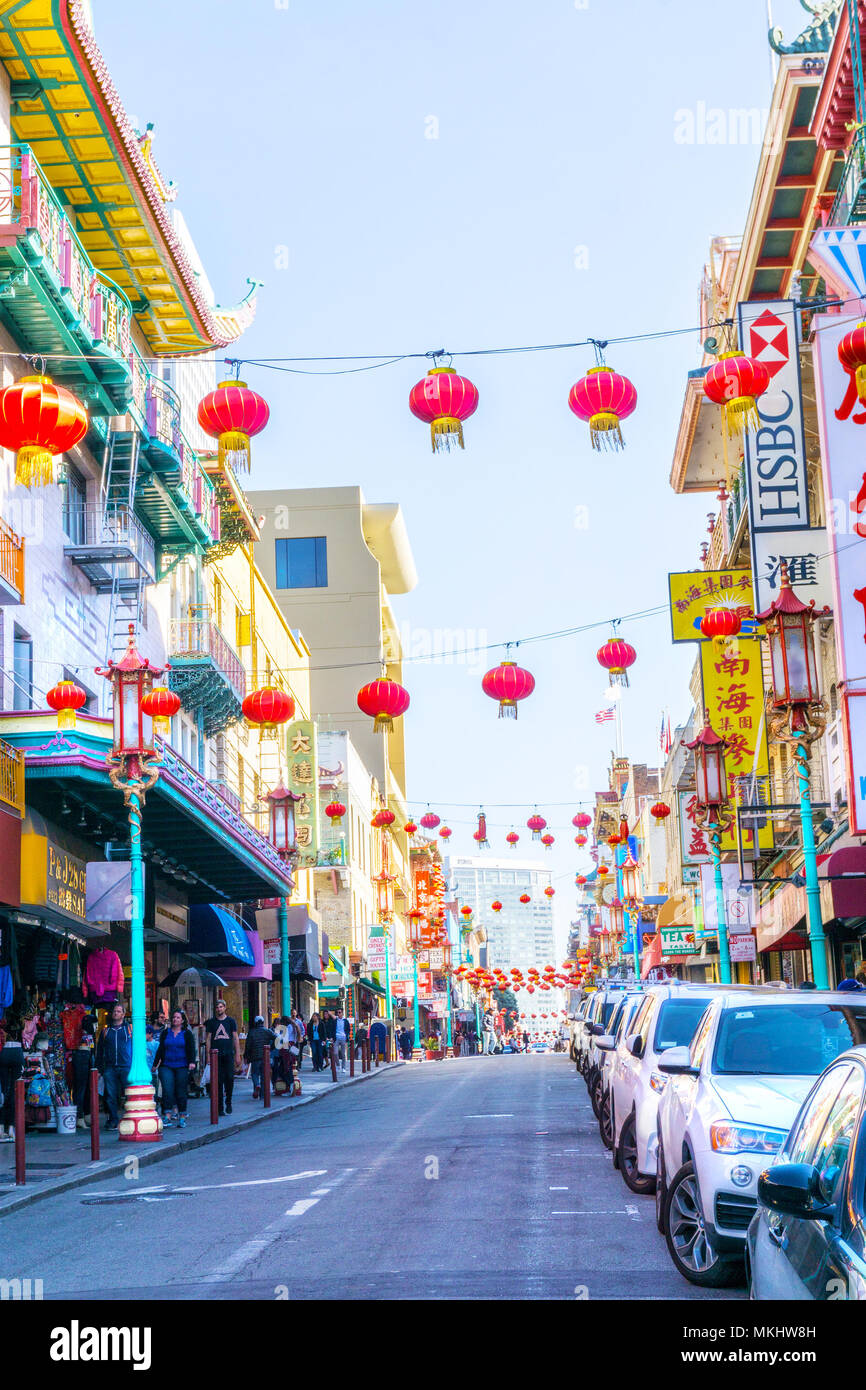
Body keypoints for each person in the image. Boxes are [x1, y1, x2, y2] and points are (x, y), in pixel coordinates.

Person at [154, 1010, 197, 1127]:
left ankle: (182, 1116)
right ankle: (167, 1115)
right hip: (166, 1065)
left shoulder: (186, 1034)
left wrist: (192, 1062)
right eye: (174, 1017)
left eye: (178, 1018)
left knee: (181, 1091)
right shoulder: (165, 1033)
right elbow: (160, 1049)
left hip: (182, 1065)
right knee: (167, 1090)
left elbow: (191, 1049)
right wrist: (155, 1064)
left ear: (182, 1020)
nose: (175, 1019)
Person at [96, 1002, 132, 1129]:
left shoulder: (129, 1029)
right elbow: (99, 1050)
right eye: (114, 1011)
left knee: (129, 1093)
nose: (115, 1013)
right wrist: (99, 1068)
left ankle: (130, 1118)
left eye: (118, 1011)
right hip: (110, 1067)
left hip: (126, 1066)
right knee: (110, 1095)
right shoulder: (106, 1031)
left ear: (123, 1014)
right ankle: (113, 1120)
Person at [205, 998, 241, 1115]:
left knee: (230, 1078)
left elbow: (235, 1038)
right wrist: (208, 1056)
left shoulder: (231, 1021)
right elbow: (208, 1039)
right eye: (217, 1007)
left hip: (229, 1054)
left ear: (225, 1008)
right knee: (218, 1081)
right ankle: (219, 1106)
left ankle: (228, 1102)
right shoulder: (211, 1022)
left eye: (221, 1007)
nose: (219, 1009)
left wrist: (238, 1054)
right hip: (216, 1056)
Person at [0, 1022, 23, 1142]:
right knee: (15, 1091)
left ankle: (1, 1128)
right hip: (17, 1050)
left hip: (3, 1050)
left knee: (3, 1091)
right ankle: (11, 1129)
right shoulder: (23, 1014)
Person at [244, 1015, 276, 1098]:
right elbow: (277, 1038)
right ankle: (262, 1095)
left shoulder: (251, 1032)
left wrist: (246, 1056)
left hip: (255, 1057)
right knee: (263, 1076)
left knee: (254, 1074)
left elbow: (248, 1046)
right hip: (265, 1056)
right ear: (263, 1022)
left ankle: (257, 1084)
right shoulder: (267, 1031)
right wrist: (271, 1048)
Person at [333, 1008, 349, 1072]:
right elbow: (332, 1029)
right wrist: (332, 1037)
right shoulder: (335, 1021)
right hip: (336, 1037)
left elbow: (348, 1029)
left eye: (339, 1012)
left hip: (343, 1037)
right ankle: (338, 1065)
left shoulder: (345, 1021)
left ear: (342, 1013)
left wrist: (346, 1035)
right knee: (335, 1053)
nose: (338, 1014)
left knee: (343, 1054)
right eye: (337, 1012)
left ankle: (344, 1067)